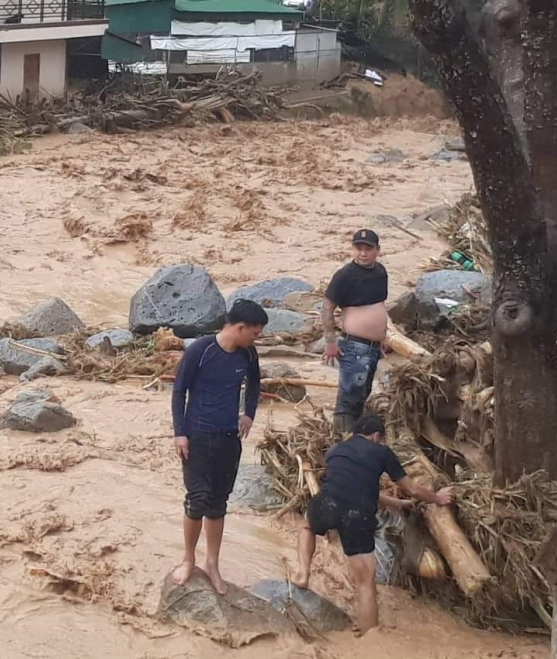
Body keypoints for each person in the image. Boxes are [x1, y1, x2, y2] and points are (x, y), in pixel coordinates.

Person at [292, 414, 454, 634]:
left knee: (306, 526)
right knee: (365, 581)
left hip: (326, 502)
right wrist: (438, 498)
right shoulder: (382, 452)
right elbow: (413, 489)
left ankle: (302, 573)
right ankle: (370, 636)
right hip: (357, 515)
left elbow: (354, 485)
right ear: (377, 436)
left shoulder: (336, 450)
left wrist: (396, 503)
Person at [172, 298, 268, 595]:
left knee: (218, 503)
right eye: (255, 332)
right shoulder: (200, 351)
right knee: (196, 499)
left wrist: (249, 413)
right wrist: (180, 433)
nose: (257, 338)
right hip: (198, 436)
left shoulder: (248, 354)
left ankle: (212, 564)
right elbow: (179, 392)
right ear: (239, 328)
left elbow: (254, 384)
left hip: (229, 437)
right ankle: (188, 559)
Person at [321, 229, 391, 433]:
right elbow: (327, 307)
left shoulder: (380, 272)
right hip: (353, 346)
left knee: (363, 394)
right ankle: (342, 439)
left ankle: (356, 438)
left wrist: (385, 333)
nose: (362, 253)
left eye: (368, 248)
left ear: (377, 250)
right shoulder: (344, 275)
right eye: (358, 248)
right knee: (349, 397)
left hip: (374, 347)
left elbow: (380, 305)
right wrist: (330, 341)